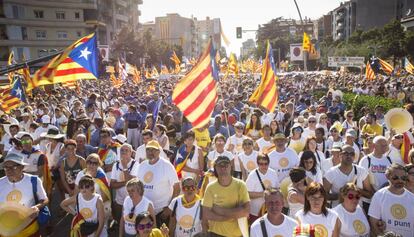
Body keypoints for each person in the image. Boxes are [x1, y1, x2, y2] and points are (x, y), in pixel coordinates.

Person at [0, 153, 49, 237]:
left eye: (14, 167)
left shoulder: (33, 180)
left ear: (22, 167)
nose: (9, 170)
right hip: (5, 230)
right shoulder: (0, 182)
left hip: (29, 228)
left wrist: (37, 207)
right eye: (6, 167)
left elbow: (44, 199)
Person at [133, 140, 180, 227]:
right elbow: (137, 185)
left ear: (159, 151)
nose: (150, 152)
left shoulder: (167, 165)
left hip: (162, 211)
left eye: (154, 150)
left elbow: (177, 188)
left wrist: (170, 208)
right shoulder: (142, 165)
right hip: (145, 210)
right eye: (148, 150)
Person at [202, 155, 250, 237]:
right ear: (215, 168)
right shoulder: (210, 187)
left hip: (237, 234)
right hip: (216, 234)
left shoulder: (241, 185)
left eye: (226, 165)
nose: (223, 168)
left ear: (230, 167)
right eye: (220, 166)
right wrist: (233, 215)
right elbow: (207, 214)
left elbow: (245, 212)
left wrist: (219, 210)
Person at [369, 164, 414, 236]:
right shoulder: (379, 195)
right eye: (395, 178)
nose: (400, 180)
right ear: (387, 177)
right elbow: (374, 223)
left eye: (403, 178)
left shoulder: (412, 198)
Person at [359, 136, 392, 213]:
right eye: (382, 145)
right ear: (374, 146)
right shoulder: (366, 160)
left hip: (384, 199)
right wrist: (374, 193)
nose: (384, 147)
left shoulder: (388, 159)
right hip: (369, 200)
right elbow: (362, 180)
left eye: (386, 145)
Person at [246, 154, 280, 224]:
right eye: (261, 164)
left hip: (270, 211)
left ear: (269, 163)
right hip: (255, 212)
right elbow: (247, 194)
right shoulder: (252, 175)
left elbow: (278, 189)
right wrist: (263, 194)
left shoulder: (273, 173)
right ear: (257, 164)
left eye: (266, 164)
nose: (264, 166)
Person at [110, 143, 139, 224]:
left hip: (132, 201)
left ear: (131, 153)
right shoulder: (116, 165)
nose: (124, 152)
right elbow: (112, 185)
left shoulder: (135, 164)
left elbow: (132, 184)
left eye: (126, 150)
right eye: (122, 150)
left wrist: (125, 167)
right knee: (120, 223)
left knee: (131, 223)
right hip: (119, 201)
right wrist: (126, 182)